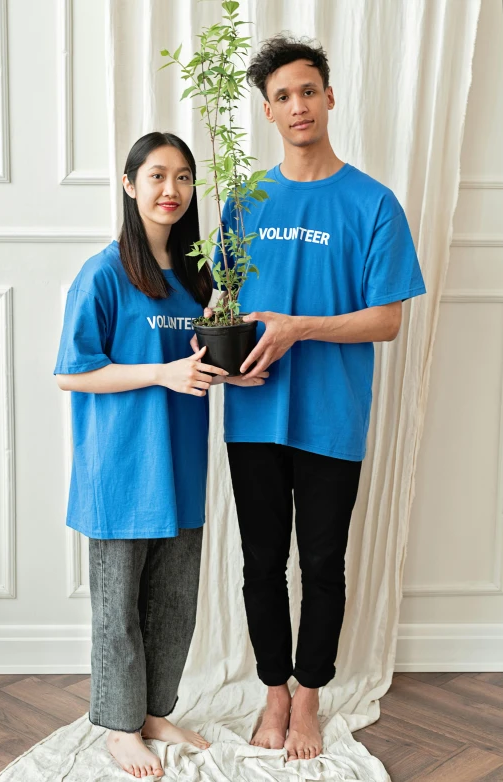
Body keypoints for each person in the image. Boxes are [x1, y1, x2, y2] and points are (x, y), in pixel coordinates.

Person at [199, 35, 426, 762]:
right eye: (282, 97)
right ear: (268, 113)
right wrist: (223, 363)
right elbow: (220, 307)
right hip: (255, 414)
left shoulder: (373, 203)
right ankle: (271, 688)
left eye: (308, 91)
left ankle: (309, 695)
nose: (298, 105)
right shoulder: (243, 199)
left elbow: (387, 319)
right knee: (261, 563)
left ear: (330, 97)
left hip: (333, 417)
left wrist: (301, 327)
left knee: (322, 566)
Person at [54, 132, 267, 779]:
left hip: (179, 467)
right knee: (117, 608)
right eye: (156, 177)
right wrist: (161, 374)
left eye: (182, 178)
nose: (170, 190)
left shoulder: (196, 280)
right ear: (129, 185)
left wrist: (231, 375)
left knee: (173, 603)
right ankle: (119, 728)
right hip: (119, 473)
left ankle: (151, 712)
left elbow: (194, 367)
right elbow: (73, 372)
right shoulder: (103, 274)